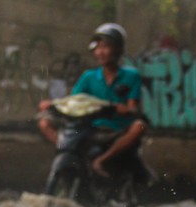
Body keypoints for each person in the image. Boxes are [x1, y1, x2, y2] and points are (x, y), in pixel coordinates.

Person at [38, 23, 148, 179]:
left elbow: (132, 107)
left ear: (117, 49)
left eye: (106, 47)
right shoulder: (88, 77)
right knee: (44, 122)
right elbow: (73, 100)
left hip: (117, 129)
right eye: (97, 47)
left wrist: (123, 109)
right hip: (90, 128)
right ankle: (68, 153)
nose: (100, 52)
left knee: (139, 126)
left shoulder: (131, 76)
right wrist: (53, 104)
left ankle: (101, 161)